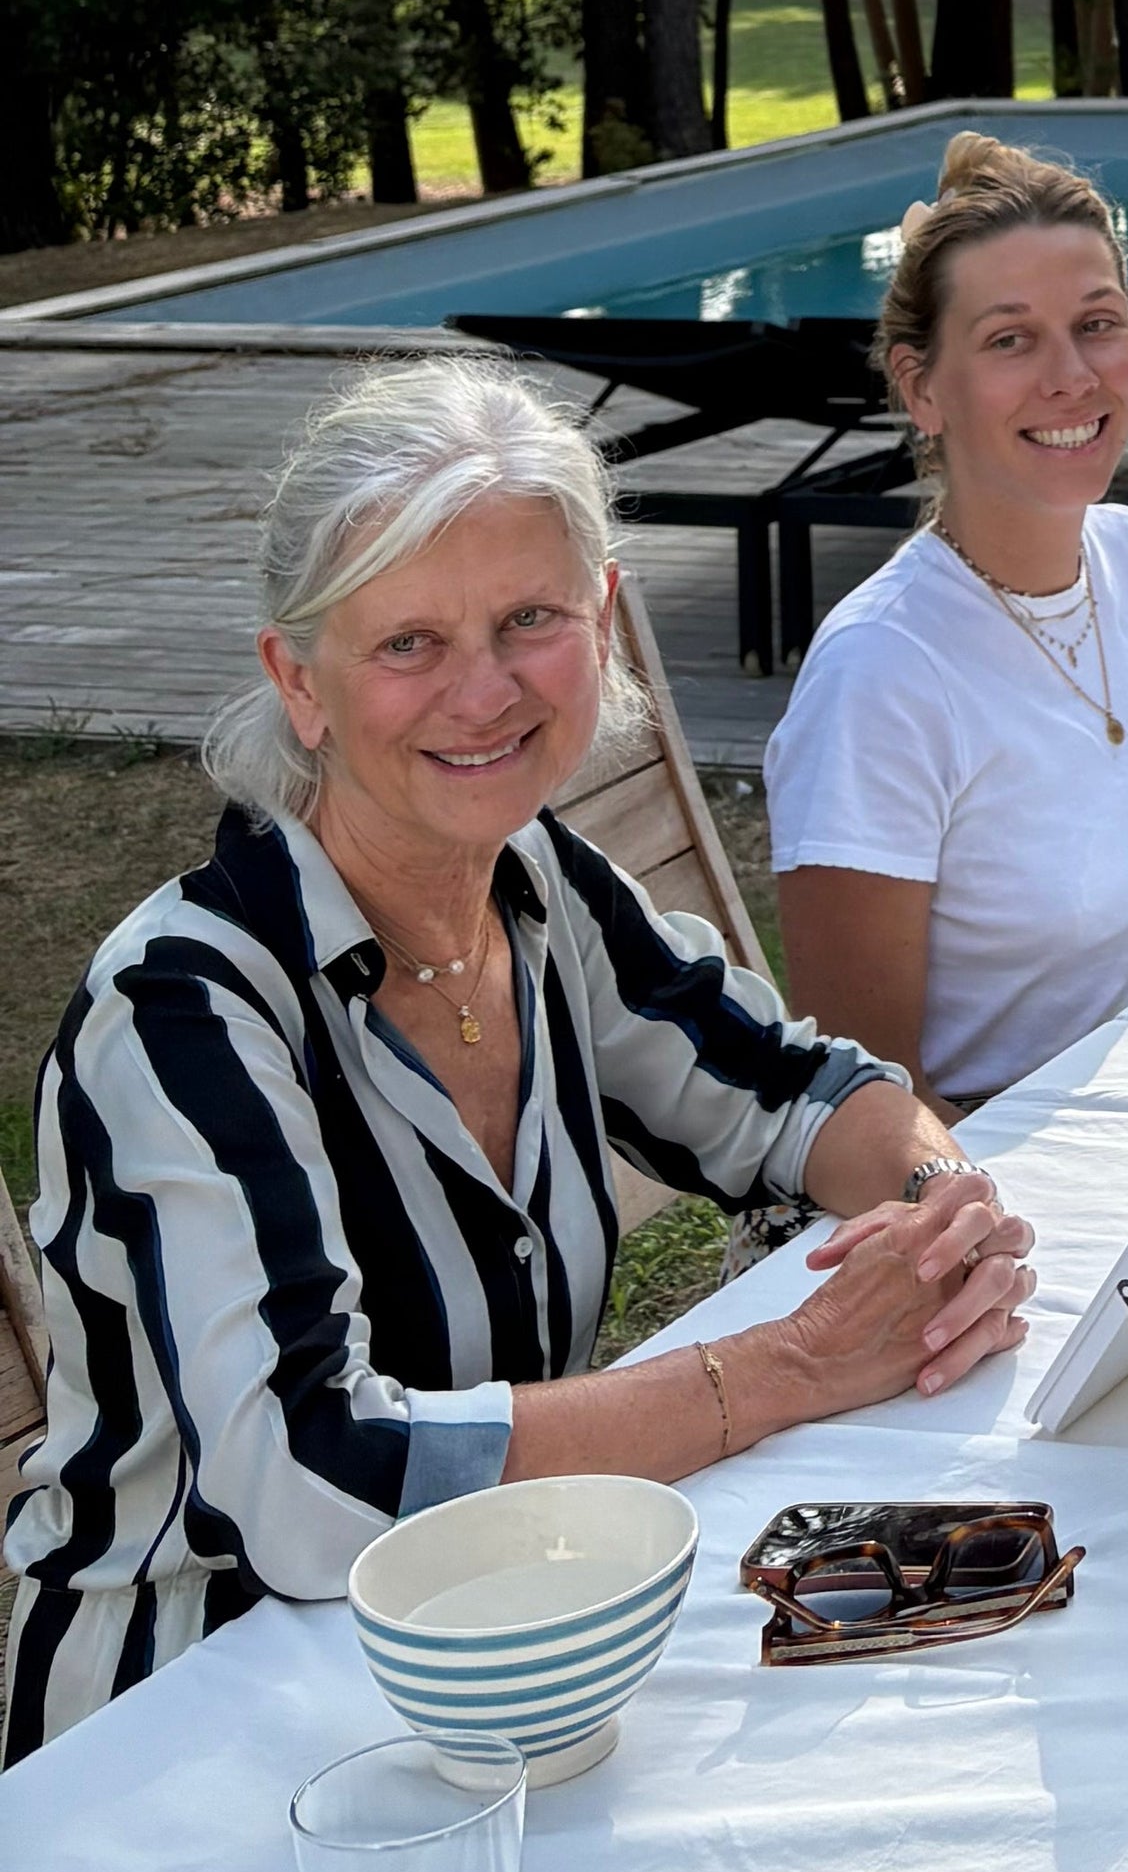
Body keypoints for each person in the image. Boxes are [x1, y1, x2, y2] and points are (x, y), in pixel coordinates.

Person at [5, 362, 1038, 1764]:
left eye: (530, 621)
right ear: (297, 683)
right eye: (408, 643)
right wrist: (777, 1371)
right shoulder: (184, 1012)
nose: (483, 691)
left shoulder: (538, 888)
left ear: (600, 624)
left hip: (510, 1658)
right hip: (195, 1733)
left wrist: (939, 1214)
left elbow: (800, 1094)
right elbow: (308, 1480)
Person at [768, 132, 1128, 1115]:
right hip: (979, 1198)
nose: (1072, 376)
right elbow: (868, 1103)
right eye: (1010, 337)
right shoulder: (881, 674)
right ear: (922, 387)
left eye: (1097, 323)